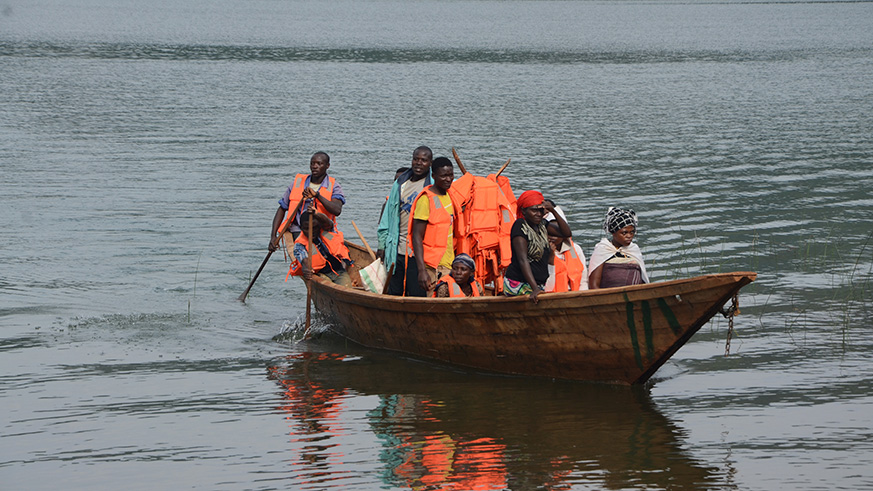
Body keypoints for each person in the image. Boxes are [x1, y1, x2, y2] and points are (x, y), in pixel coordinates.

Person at [376, 146, 433, 296]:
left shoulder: (432, 185)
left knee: (417, 292)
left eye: (424, 160)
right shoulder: (401, 184)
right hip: (396, 248)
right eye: (416, 159)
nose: (419, 163)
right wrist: (382, 245)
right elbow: (387, 216)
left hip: (419, 252)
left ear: (430, 163)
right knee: (394, 292)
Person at [269, 152, 345, 253]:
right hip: (300, 229)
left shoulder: (333, 186)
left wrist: (317, 196)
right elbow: (282, 208)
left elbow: (337, 210)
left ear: (327, 166)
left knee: (342, 250)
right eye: (312, 163)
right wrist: (273, 236)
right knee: (312, 252)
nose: (315, 166)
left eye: (319, 164)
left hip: (323, 229)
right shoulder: (297, 183)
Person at [503, 190, 570, 303]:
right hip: (519, 284)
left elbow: (566, 233)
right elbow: (522, 260)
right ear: (524, 211)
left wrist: (553, 210)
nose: (538, 214)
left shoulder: (543, 224)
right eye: (534, 210)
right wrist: (535, 289)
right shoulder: (520, 226)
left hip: (538, 284)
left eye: (540, 210)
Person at [409, 157, 455, 296]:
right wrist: (422, 270)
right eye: (443, 176)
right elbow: (416, 235)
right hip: (432, 266)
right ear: (434, 176)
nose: (448, 179)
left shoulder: (450, 195)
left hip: (448, 263)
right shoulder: (425, 200)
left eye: (451, 175)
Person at [588, 207, 649, 289]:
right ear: (613, 232)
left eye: (632, 232)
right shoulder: (603, 250)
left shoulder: (634, 250)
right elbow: (594, 285)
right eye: (624, 233)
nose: (629, 236)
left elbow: (643, 279)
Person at [287, 211, 353, 287]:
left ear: (319, 226)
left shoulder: (327, 233)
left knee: (346, 287)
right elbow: (304, 259)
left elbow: (329, 223)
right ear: (301, 228)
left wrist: (316, 213)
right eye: (306, 228)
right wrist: (306, 269)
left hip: (339, 271)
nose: (311, 231)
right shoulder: (300, 244)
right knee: (329, 286)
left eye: (314, 228)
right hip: (321, 274)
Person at [544, 222, 589, 292]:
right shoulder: (542, 253)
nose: (552, 237)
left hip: (576, 293)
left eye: (556, 234)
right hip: (553, 295)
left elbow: (583, 277)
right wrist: (551, 255)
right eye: (549, 234)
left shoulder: (573, 250)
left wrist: (582, 294)